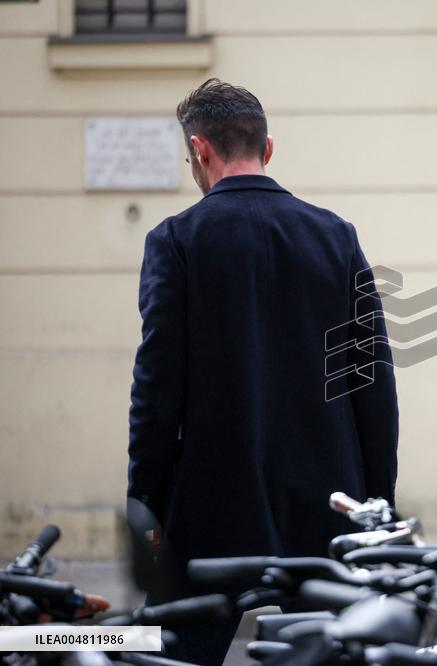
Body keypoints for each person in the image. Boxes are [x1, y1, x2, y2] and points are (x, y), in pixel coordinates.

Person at [127, 79, 399, 665]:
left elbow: (157, 384)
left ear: (200, 151)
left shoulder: (176, 241)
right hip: (327, 498)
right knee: (333, 656)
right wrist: (377, 499)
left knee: (171, 657)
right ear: (267, 148)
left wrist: (145, 495)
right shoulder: (334, 236)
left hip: (210, 502)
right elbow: (371, 380)